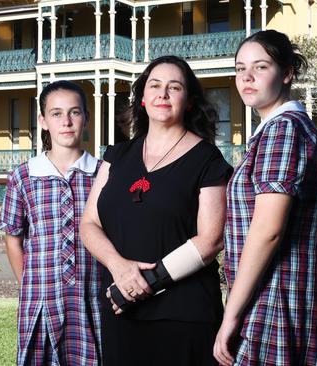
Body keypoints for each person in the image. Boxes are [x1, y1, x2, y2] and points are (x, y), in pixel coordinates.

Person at [80, 55, 232, 366]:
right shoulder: (117, 156)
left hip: (183, 315)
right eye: (155, 85)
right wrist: (119, 268)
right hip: (121, 308)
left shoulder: (207, 159)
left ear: (188, 101)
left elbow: (211, 240)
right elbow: (89, 223)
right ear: (143, 98)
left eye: (174, 87)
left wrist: (146, 283)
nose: (163, 94)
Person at [213, 30, 317, 365]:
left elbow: (268, 230)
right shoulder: (275, 130)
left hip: (275, 300)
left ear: (286, 73)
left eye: (261, 67)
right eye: (240, 69)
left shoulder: (284, 129)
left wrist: (231, 315)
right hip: (271, 296)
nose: (247, 77)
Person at [0, 80, 102, 366]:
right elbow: (13, 236)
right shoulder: (23, 176)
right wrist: (29, 284)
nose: (66, 122)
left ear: (85, 117)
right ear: (43, 121)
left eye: (74, 112)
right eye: (56, 114)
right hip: (41, 299)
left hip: (91, 299)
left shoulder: (103, 173)